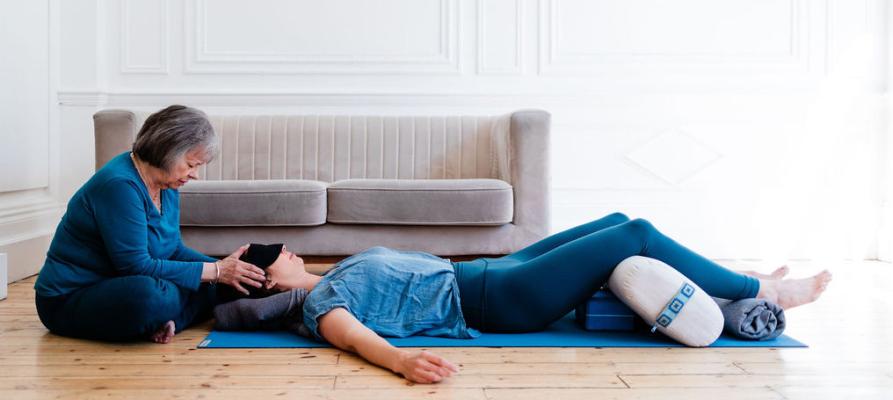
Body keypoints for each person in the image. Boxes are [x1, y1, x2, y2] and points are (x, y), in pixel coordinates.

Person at [213, 213, 832, 384]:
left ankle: (735, 290)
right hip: (498, 301)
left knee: (616, 219)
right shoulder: (325, 307)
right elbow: (357, 339)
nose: (290, 252)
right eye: (280, 258)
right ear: (272, 281)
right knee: (635, 234)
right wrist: (401, 361)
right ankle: (762, 289)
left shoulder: (334, 273)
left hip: (492, 271)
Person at [34, 105, 267, 344]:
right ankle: (166, 314)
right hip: (69, 298)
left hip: (123, 284)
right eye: (190, 164)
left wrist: (224, 269)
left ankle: (168, 321)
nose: (195, 174)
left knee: (231, 282)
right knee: (153, 297)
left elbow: (174, 249)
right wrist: (216, 272)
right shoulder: (119, 185)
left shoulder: (166, 184)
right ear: (167, 151)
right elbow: (135, 266)